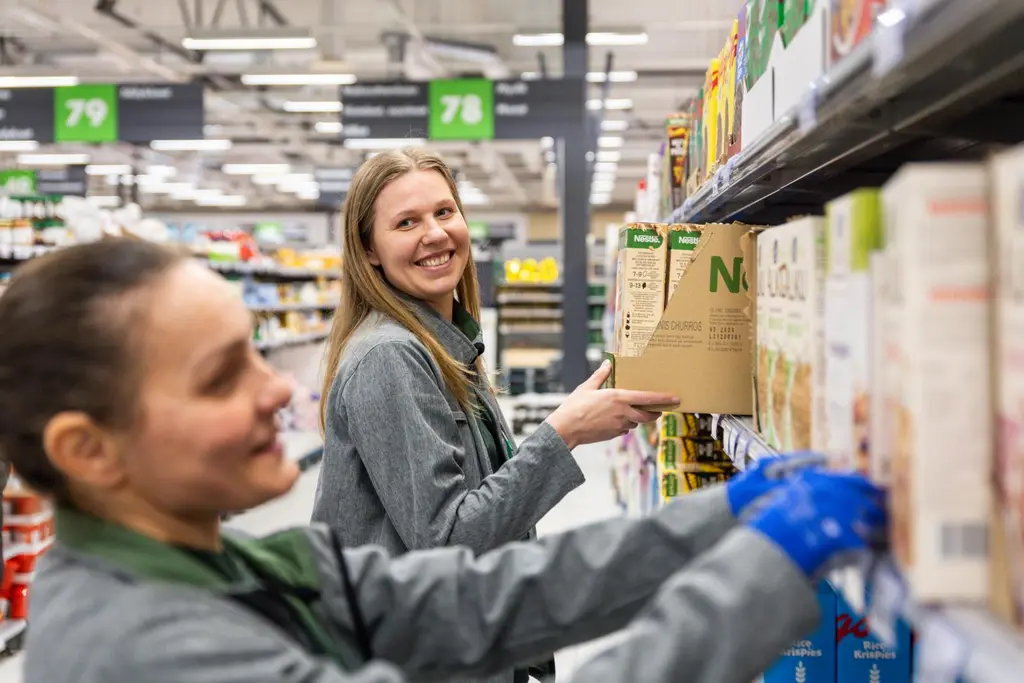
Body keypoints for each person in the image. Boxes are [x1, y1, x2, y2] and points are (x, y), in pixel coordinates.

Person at [0, 239, 886, 683]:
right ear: (88, 449)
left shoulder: (228, 565)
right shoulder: (153, 651)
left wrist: (724, 514)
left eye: (256, 354)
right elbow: (451, 540)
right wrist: (765, 568)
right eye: (221, 375)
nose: (281, 391)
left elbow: (488, 597)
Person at [312, 147, 674, 683]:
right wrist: (562, 433)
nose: (434, 234)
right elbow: (449, 542)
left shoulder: (446, 344)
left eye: (443, 212)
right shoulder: (391, 356)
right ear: (368, 250)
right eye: (406, 222)